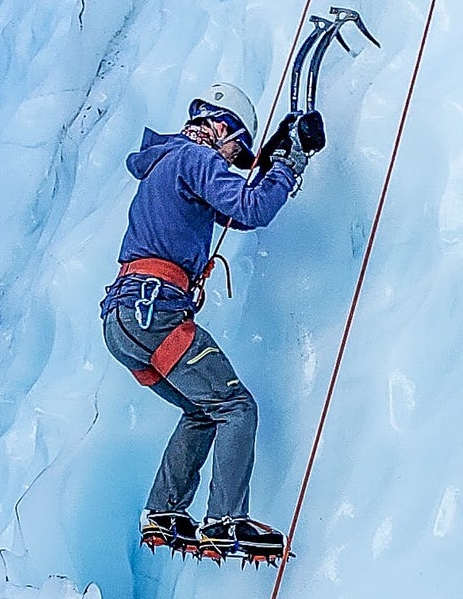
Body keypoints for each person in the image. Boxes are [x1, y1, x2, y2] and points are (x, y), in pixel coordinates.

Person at [101, 86, 325, 560]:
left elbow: (238, 211)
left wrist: (275, 166)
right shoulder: (196, 159)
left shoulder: (168, 163)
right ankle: (226, 520)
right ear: (221, 126)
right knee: (236, 406)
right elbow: (251, 208)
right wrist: (290, 164)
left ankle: (164, 511)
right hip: (155, 311)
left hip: (125, 320)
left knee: (202, 410)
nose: (236, 160)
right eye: (238, 150)